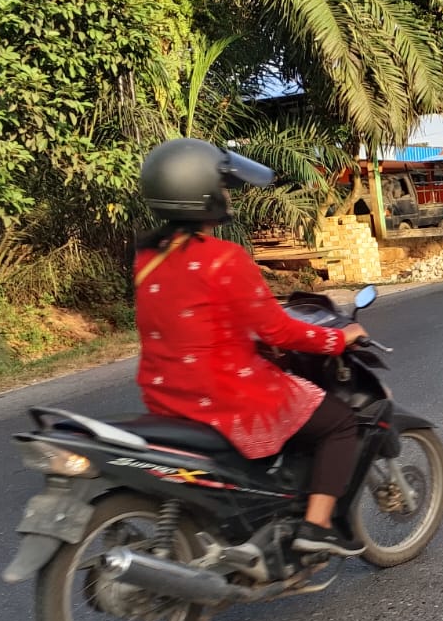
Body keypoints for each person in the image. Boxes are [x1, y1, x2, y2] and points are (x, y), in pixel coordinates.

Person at [135, 137, 367, 558]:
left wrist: (253, 346)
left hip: (167, 397)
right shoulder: (225, 258)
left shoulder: (146, 260)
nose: (228, 195)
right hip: (228, 396)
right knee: (338, 422)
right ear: (203, 193)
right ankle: (316, 528)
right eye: (223, 187)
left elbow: (194, 326)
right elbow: (278, 331)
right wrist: (338, 338)